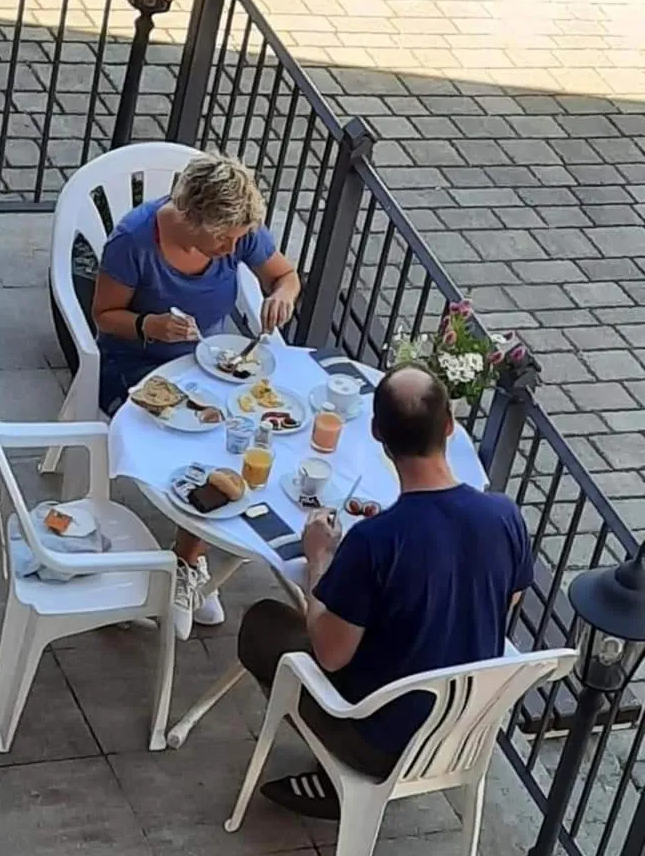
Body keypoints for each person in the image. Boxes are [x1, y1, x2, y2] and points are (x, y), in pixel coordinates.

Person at [238, 362, 534, 820]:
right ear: (451, 426)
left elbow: (330, 654)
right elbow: (508, 600)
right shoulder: (504, 515)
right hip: (466, 729)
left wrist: (320, 559)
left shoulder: (375, 542)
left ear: (377, 433)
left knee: (263, 623)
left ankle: (341, 775)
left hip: (382, 743)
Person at [92, 153, 300, 641]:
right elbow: (104, 315)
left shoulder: (237, 232)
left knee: (256, 425)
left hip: (210, 357)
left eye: (236, 238)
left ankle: (191, 555)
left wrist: (282, 295)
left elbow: (284, 275)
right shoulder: (134, 242)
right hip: (140, 363)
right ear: (190, 218)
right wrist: (151, 325)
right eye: (222, 239)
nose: (231, 248)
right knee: (206, 441)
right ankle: (188, 563)